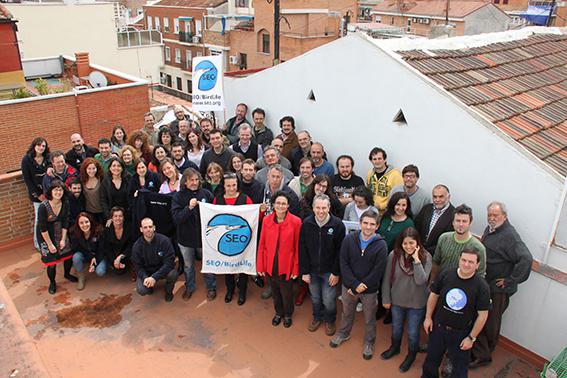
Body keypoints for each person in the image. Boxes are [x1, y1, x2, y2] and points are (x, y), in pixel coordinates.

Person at [470, 202, 533, 369]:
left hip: (498, 289)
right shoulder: (491, 229)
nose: (491, 218)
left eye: (495, 215)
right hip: (486, 284)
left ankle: (483, 356)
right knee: (479, 318)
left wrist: (510, 280)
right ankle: (477, 350)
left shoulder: (510, 235)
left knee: (490, 322)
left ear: (504, 216)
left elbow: (526, 259)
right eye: (489, 215)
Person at [330, 209, 388, 360]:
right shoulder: (349, 239)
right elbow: (344, 262)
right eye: (365, 223)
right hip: (349, 286)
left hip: (369, 290)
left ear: (377, 226)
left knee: (369, 318)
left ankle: (369, 342)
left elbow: (378, 270)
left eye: (372, 224)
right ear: (360, 223)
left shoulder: (381, 245)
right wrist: (353, 284)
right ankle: (344, 333)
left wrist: (362, 286)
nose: (368, 227)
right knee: (347, 312)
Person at [422, 249, 490, 378]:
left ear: (477, 265)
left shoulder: (482, 287)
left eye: (471, 262)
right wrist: (428, 318)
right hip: (438, 328)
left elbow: (483, 315)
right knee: (431, 361)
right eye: (464, 260)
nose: (466, 264)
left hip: (461, 334)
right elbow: (434, 295)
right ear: (459, 259)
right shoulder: (446, 274)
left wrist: (471, 338)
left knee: (459, 368)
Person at [381, 227, 432, 373]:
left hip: (417, 304)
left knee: (413, 333)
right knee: (396, 328)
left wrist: (416, 260)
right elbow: (386, 279)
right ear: (400, 243)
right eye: (405, 244)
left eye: (411, 243)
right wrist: (386, 298)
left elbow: (421, 280)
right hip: (397, 301)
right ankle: (395, 347)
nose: (408, 247)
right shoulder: (394, 255)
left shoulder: (426, 257)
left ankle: (411, 355)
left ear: (417, 243)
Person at [300, 194, 346, 335]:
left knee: (329, 299)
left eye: (324, 208)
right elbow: (303, 248)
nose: (321, 211)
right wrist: (305, 271)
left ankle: (330, 320)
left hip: (329, 272)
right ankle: (317, 317)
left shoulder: (337, 225)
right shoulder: (307, 224)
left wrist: (336, 272)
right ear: (313, 208)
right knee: (315, 297)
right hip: (312, 271)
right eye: (318, 208)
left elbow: (341, 251)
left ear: (329, 207)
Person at [257, 190, 302, 327]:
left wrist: (296, 268)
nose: (281, 206)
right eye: (278, 203)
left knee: (287, 293)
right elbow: (262, 244)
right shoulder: (266, 220)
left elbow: (297, 247)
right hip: (270, 263)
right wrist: (260, 266)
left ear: (288, 206)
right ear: (274, 204)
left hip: (287, 265)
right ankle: (278, 312)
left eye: (284, 203)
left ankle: (288, 314)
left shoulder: (296, 222)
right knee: (275, 291)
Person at [172, 168, 215, 300]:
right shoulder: (178, 196)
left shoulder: (206, 193)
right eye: (191, 180)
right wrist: (189, 208)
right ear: (185, 181)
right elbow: (177, 218)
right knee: (188, 265)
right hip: (185, 239)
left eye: (197, 179)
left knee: (208, 263)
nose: (194, 182)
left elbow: (216, 211)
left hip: (204, 239)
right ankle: (190, 287)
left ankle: (211, 287)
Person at [213, 172, 254, 305]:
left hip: (241, 239)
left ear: (238, 185)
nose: (231, 188)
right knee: (227, 267)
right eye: (228, 186)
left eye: (234, 185)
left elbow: (252, 218)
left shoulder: (245, 199)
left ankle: (242, 292)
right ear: (223, 186)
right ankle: (230, 290)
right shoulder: (217, 200)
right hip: (224, 240)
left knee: (241, 267)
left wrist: (259, 210)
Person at [36, 180, 75, 294]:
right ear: (51, 191)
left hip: (60, 231)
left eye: (61, 189)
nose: (58, 192)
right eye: (56, 189)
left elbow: (65, 221)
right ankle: (52, 282)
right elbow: (42, 227)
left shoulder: (65, 203)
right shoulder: (43, 206)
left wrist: (63, 239)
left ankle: (67, 274)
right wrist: (50, 244)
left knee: (67, 255)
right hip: (46, 235)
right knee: (52, 261)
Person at [431, 204, 487, 284]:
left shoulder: (478, 247)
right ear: (453, 222)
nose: (461, 224)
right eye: (458, 221)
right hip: (441, 285)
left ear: (470, 223)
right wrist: (432, 282)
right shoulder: (444, 238)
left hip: (462, 290)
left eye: (464, 221)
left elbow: (480, 275)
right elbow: (436, 262)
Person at [131, 218, 178, 302]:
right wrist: (145, 278)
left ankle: (168, 291)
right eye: (145, 227)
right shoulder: (137, 246)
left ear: (154, 227)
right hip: (146, 272)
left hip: (162, 269)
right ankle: (149, 288)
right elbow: (137, 266)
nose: (148, 229)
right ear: (141, 229)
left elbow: (169, 262)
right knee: (141, 290)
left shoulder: (164, 241)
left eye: (150, 226)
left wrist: (154, 277)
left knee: (173, 274)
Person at [22, 137, 50, 250]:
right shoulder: (27, 160)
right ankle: (38, 243)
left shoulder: (47, 158)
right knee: (39, 218)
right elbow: (27, 180)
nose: (41, 148)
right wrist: (38, 195)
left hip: (49, 193)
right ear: (34, 146)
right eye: (39, 145)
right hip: (37, 195)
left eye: (43, 146)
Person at [415, 185, 455, 256]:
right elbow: (416, 227)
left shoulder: (454, 215)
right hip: (417, 250)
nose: (437, 200)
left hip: (436, 256)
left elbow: (448, 241)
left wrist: (426, 252)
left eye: (441, 197)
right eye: (435, 197)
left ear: (448, 197)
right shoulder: (426, 208)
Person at [71, 212, 107, 290]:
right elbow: (76, 249)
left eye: (86, 222)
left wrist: (95, 259)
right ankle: (80, 276)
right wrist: (91, 257)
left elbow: (102, 249)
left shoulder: (99, 231)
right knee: (76, 257)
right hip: (86, 255)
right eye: (81, 223)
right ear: (78, 224)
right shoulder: (74, 233)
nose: (84, 225)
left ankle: (102, 264)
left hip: (99, 255)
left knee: (100, 272)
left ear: (90, 221)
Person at [366, 147, 403, 214]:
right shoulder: (369, 174)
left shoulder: (395, 175)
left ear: (385, 160)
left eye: (379, 158)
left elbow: (399, 197)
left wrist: (381, 206)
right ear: (371, 161)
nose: (377, 161)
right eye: (374, 159)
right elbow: (368, 192)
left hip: (388, 212)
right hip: (372, 211)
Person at [102, 206, 132, 276]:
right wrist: (114, 261)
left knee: (123, 268)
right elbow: (107, 248)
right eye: (115, 216)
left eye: (120, 216)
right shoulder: (107, 230)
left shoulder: (129, 228)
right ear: (111, 218)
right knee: (118, 272)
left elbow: (131, 245)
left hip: (126, 254)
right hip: (113, 255)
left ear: (123, 218)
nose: (118, 218)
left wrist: (121, 256)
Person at [80, 157, 105, 224]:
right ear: (85, 169)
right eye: (89, 169)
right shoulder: (82, 180)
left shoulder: (101, 179)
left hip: (102, 212)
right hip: (89, 212)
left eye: (94, 168)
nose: (92, 171)